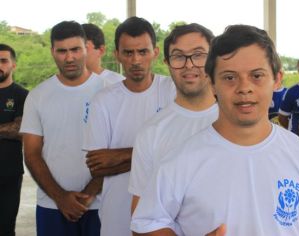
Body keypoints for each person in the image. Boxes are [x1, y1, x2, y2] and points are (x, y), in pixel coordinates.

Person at [131, 25, 299, 236]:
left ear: (277, 79)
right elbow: (146, 225)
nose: (244, 88)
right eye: (230, 77)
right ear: (212, 82)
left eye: (257, 75)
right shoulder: (179, 161)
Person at [82, 16, 176, 236]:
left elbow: (184, 152)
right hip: (116, 216)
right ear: (117, 55)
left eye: (143, 52)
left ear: (155, 52)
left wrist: (119, 156)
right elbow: (98, 166)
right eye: (128, 52)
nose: (135, 60)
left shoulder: (173, 91)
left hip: (167, 216)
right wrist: (158, 154)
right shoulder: (103, 100)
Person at [20, 21, 103, 236]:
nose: (69, 58)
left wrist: (89, 193)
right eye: (62, 51)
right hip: (52, 206)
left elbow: (120, 149)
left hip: (103, 204)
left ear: (87, 47)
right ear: (52, 52)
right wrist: (60, 197)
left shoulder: (110, 90)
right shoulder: (38, 96)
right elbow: (31, 153)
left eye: (75, 49)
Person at [129, 23, 217, 213]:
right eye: (178, 56)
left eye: (198, 55)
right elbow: (141, 216)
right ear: (167, 62)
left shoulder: (239, 122)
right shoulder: (151, 132)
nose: (189, 64)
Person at [0, 44, 28, 236]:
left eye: (3, 61)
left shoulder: (22, 95)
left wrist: (11, 128)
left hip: (8, 174)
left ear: (13, 65)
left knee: (5, 228)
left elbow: (20, 130)